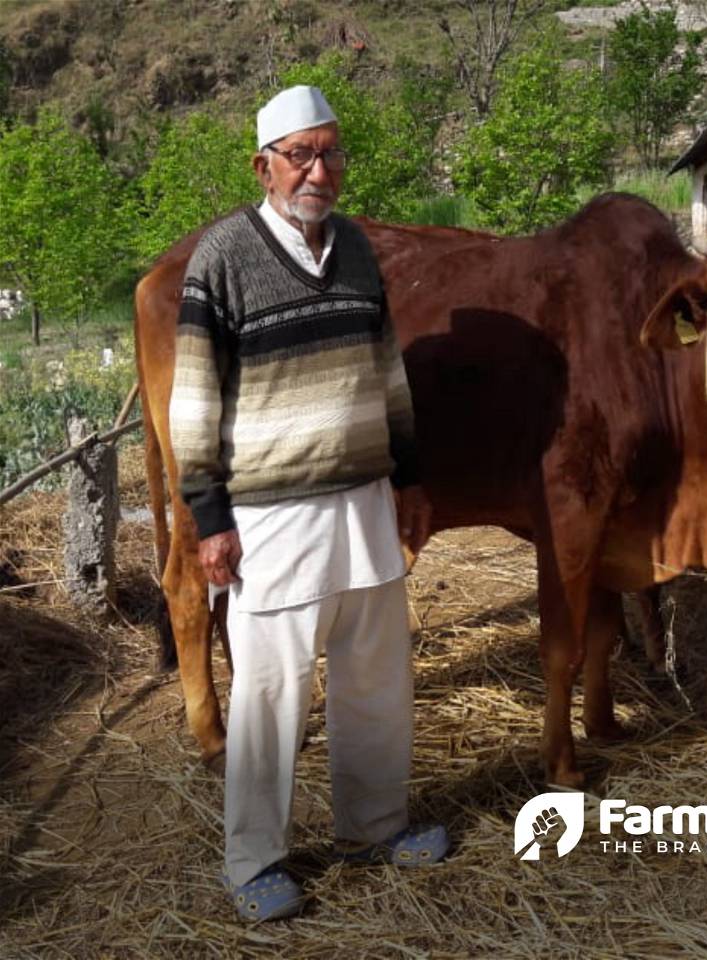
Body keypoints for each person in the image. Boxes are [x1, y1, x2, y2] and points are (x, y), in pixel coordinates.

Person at [169, 85, 446, 922]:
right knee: (268, 692)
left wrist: (410, 475)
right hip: (272, 516)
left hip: (364, 501)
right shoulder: (221, 258)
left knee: (376, 678)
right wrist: (208, 521)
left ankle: (375, 824)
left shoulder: (356, 249)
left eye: (330, 153)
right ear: (265, 165)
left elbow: (387, 371)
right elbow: (194, 404)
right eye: (301, 154)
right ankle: (253, 860)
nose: (318, 170)